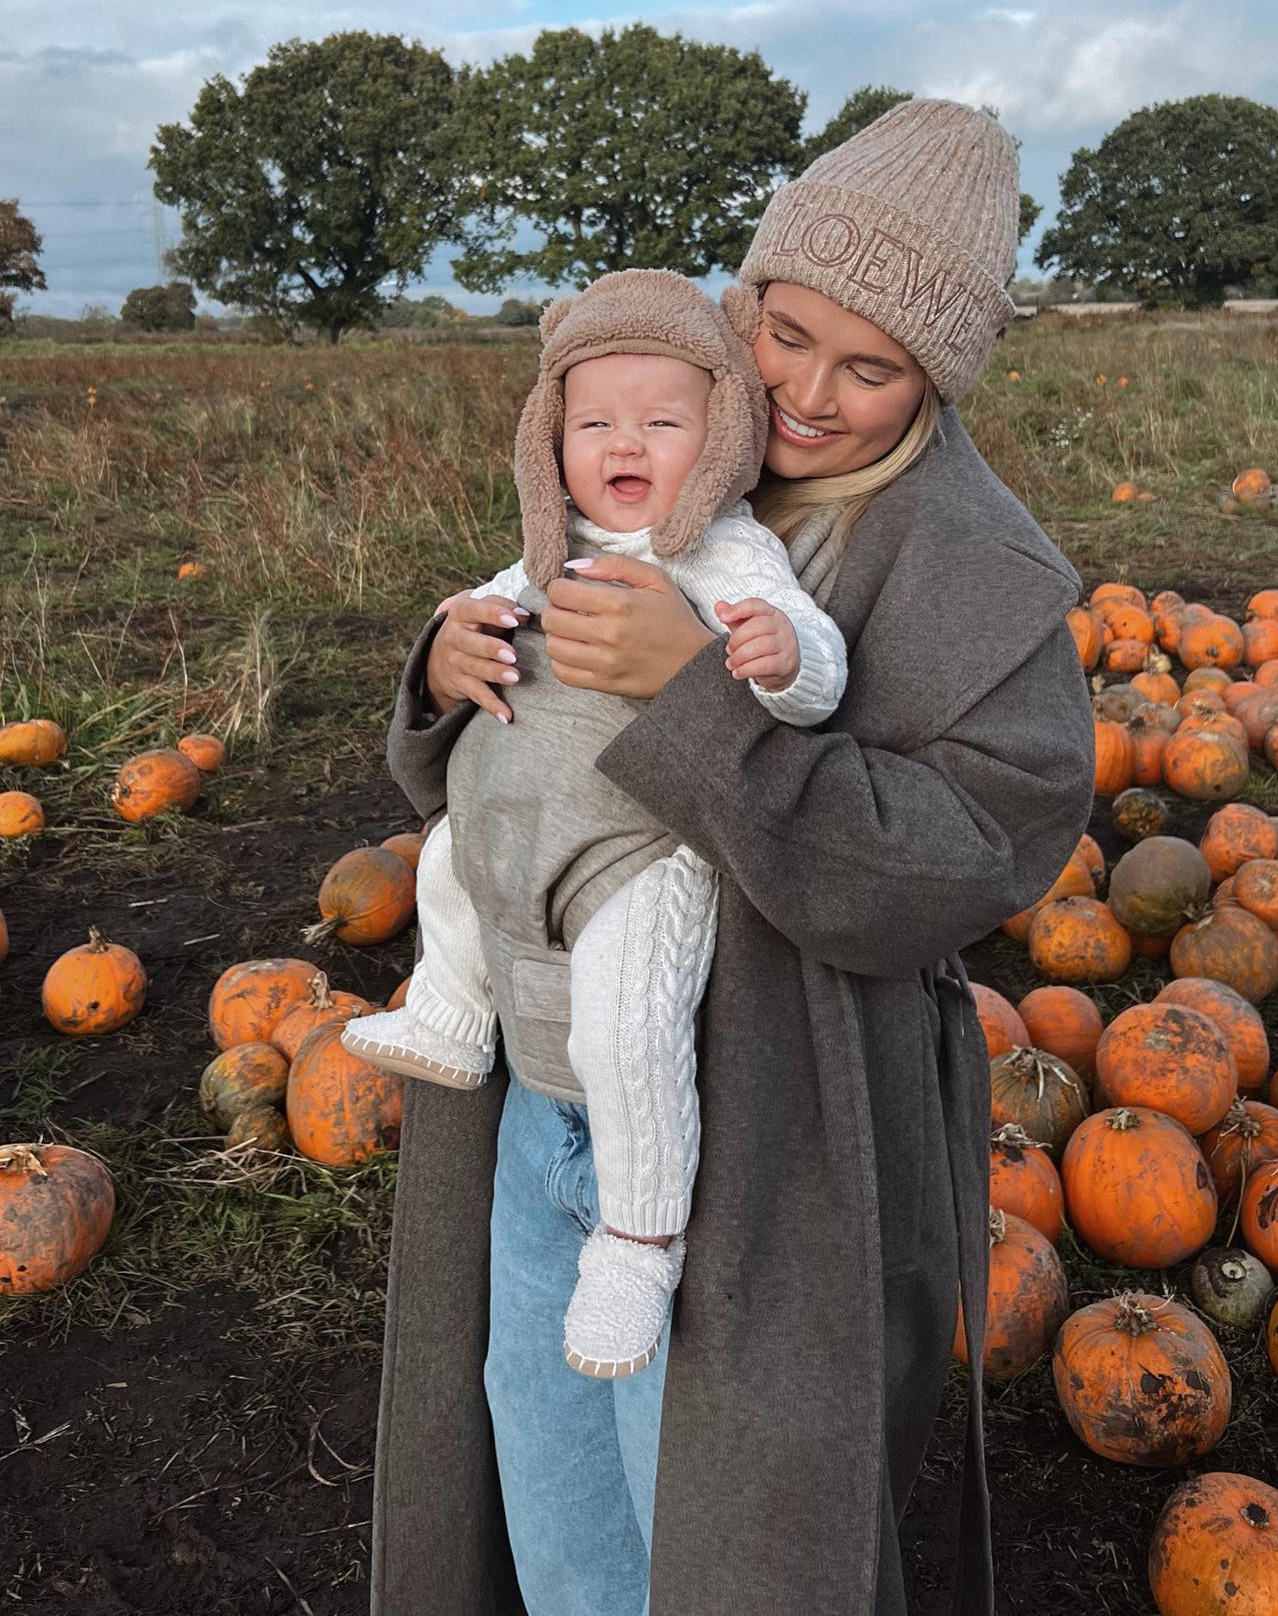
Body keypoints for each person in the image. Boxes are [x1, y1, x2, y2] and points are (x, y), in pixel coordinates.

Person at [368, 100, 1095, 1616]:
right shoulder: (669, 430)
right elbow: (517, 706)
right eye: (787, 329)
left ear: (942, 374)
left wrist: (700, 700)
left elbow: (971, 856)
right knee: (540, 1458)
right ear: (745, 299)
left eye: (873, 365)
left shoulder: (982, 570)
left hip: (772, 1124)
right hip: (537, 1081)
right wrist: (446, 671)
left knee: (719, 1521)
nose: (812, 392)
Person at [341, 269, 847, 1379]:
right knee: (447, 861)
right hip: (527, 833)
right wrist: (449, 642)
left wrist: (782, 658)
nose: (627, 441)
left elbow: (814, 660)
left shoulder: (724, 550)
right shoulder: (545, 544)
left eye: (664, 422)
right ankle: (451, 1010)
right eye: (594, 422)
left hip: (646, 852)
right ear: (549, 441)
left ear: (718, 440)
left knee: (629, 1021)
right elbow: (472, 623)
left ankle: (639, 1234)